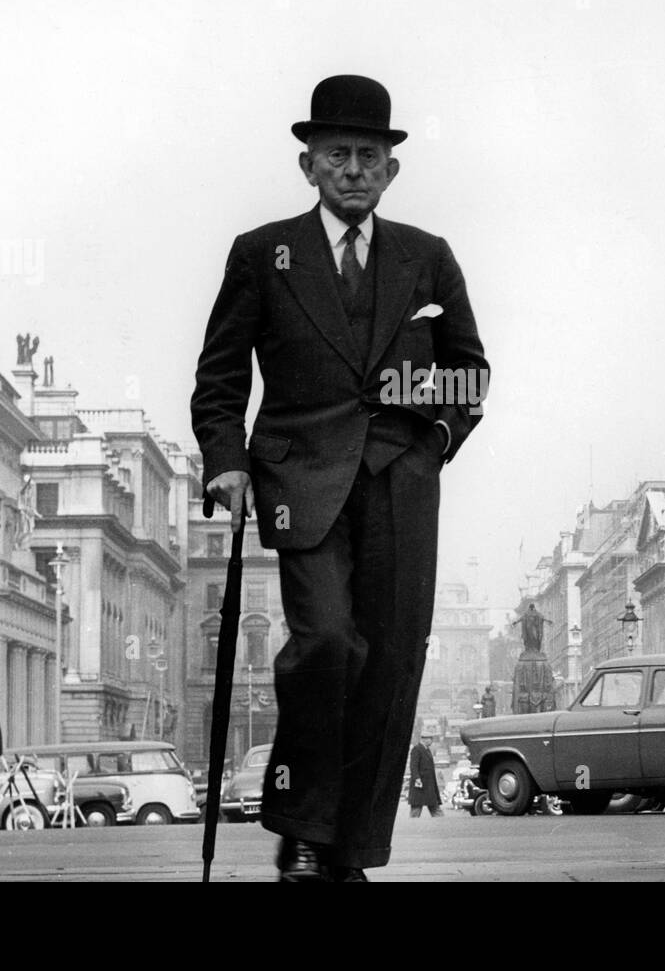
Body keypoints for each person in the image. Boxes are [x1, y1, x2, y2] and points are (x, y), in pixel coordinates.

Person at [191, 75, 488, 881]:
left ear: (390, 169)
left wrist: (434, 437)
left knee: (390, 664)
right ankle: (305, 827)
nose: (353, 169)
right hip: (300, 482)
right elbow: (219, 377)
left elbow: (470, 370)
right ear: (309, 164)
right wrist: (225, 463)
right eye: (337, 156)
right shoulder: (263, 253)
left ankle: (346, 849)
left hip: (401, 482)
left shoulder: (429, 258)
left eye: (368, 155)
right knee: (325, 643)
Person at [408, 733, 443, 818]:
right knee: (416, 808)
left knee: (434, 805)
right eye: (431, 739)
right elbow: (413, 766)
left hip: (429, 785)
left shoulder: (427, 750)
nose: (432, 741)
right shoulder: (416, 749)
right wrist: (417, 778)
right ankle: (413, 824)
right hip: (420, 784)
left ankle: (442, 822)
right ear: (425, 739)